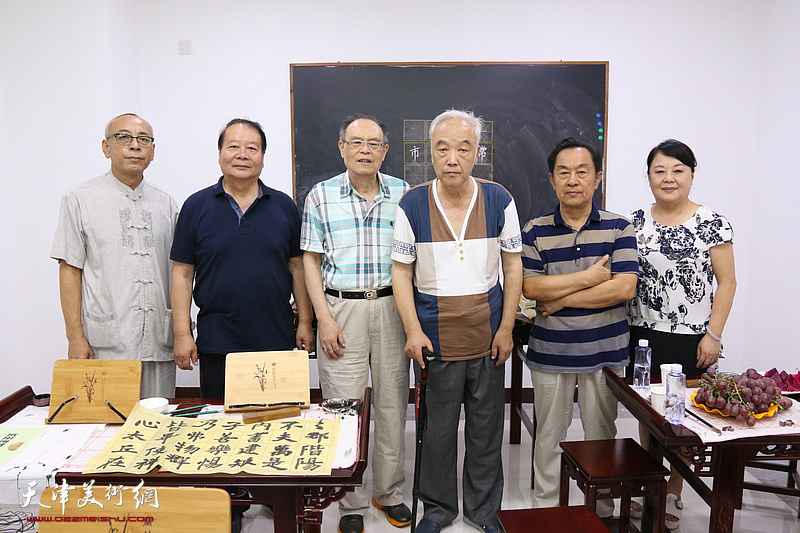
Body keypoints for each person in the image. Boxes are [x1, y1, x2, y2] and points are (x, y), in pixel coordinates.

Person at [170, 118, 314, 533]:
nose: (242, 154)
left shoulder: (284, 206)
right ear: (220, 154)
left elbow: (297, 268)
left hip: (275, 335)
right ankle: (228, 506)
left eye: (252, 148)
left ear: (263, 157)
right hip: (219, 338)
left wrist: (305, 321)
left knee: (276, 424)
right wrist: (182, 333)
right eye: (233, 146)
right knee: (221, 428)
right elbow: (182, 273)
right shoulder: (196, 206)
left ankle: (274, 497)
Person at [392, 109, 523, 533]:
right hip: (435, 339)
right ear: (430, 153)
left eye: (463, 149)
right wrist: (413, 330)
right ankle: (437, 510)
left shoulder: (499, 199)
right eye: (443, 148)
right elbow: (401, 273)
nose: (453, 158)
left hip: (488, 336)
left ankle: (483, 512)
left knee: (486, 431)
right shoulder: (412, 203)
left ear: (477, 152)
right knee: (438, 433)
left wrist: (507, 328)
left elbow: (513, 265)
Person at [301, 114, 411, 533]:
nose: (365, 150)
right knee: (344, 409)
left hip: (392, 307)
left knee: (392, 404)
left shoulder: (403, 193)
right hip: (341, 309)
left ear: (385, 151)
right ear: (342, 148)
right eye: (356, 142)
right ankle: (351, 500)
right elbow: (310, 260)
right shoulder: (321, 195)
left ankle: (389, 492)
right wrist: (323, 319)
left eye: (374, 143)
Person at [521, 137, 638, 516]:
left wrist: (558, 299)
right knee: (548, 437)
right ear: (551, 179)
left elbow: (623, 288)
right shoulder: (535, 230)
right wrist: (589, 279)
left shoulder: (619, 228)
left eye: (582, 172)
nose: (573, 180)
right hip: (550, 353)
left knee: (600, 435)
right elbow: (530, 288)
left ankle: (601, 509)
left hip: (605, 353)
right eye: (564, 173)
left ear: (597, 178)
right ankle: (545, 509)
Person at [626, 139, 736, 530]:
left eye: (678, 170)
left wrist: (713, 335)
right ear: (649, 177)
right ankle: (649, 483)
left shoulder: (712, 222)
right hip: (641, 334)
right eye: (660, 171)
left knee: (681, 417)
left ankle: (674, 489)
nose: (668, 178)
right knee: (648, 413)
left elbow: (727, 283)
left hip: (691, 338)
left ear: (691, 175)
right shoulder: (634, 222)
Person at [51, 113, 179, 399]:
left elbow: (180, 273)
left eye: (143, 139)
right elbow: (69, 269)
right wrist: (74, 336)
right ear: (106, 147)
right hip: (105, 343)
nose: (135, 145)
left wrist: (182, 333)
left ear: (152, 151)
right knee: (108, 420)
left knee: (158, 420)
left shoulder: (167, 204)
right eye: (123, 137)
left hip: (159, 341)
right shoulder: (79, 199)